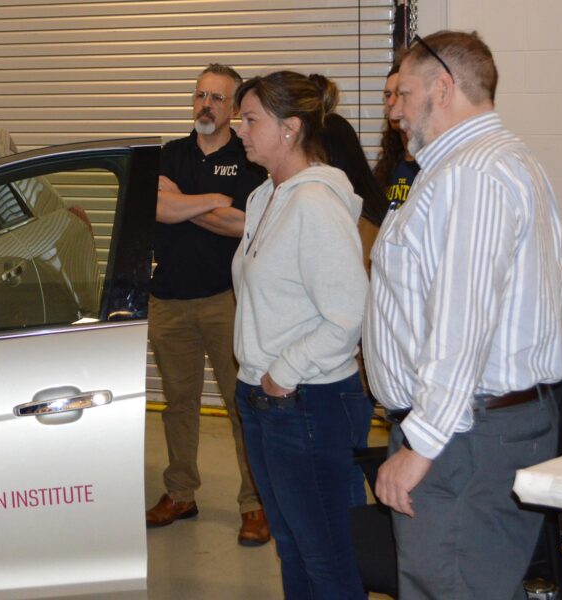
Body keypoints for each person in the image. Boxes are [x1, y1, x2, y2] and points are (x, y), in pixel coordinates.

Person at [365, 30, 562, 600]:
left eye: (402, 93)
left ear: (443, 87)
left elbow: (464, 324)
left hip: (462, 438)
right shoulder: (485, 164)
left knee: (446, 589)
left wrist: (421, 445)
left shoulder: (473, 175)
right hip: (470, 429)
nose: (394, 109)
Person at [231, 71, 368, 599]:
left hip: (308, 400)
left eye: (250, 120)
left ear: (290, 129)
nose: (239, 129)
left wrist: (283, 373)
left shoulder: (315, 204)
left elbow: (349, 312)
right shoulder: (266, 196)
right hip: (263, 397)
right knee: (291, 546)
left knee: (327, 557)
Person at [145, 63, 270, 546]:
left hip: (226, 300)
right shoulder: (169, 154)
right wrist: (211, 202)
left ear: (234, 107)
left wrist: (185, 203)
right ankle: (181, 493)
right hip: (168, 300)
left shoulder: (250, 159)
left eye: (217, 98)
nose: (205, 105)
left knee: (242, 407)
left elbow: (244, 225)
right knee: (178, 406)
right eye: (199, 95)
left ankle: (254, 504)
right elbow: (156, 207)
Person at [319, 107, 385, 507]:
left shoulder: (365, 223)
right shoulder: (332, 210)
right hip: (329, 371)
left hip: (349, 374)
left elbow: (362, 306)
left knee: (341, 479)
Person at [373, 63, 420, 212]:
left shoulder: (430, 162)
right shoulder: (388, 163)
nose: (391, 102)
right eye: (388, 95)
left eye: (400, 94)